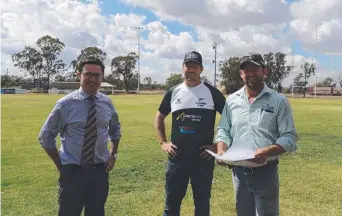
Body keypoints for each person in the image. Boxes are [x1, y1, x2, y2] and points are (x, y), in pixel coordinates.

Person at [214, 52, 298, 216]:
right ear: (241, 74)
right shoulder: (232, 101)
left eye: (255, 69)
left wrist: (266, 151)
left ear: (264, 71)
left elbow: (289, 137)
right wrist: (221, 151)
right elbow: (224, 130)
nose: (250, 73)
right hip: (238, 173)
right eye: (246, 70)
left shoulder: (278, 101)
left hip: (266, 172)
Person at [38, 58, 121, 216]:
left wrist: (113, 154)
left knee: (96, 212)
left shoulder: (107, 103)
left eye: (97, 75)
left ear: (102, 77)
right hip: (72, 171)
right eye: (88, 74)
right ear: (79, 75)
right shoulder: (65, 104)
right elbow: (45, 136)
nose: (93, 79)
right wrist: (60, 165)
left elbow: (115, 129)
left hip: (99, 171)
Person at [155, 51, 226, 216]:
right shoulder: (174, 91)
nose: (191, 70)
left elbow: (231, 121)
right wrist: (163, 142)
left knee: (202, 206)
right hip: (177, 159)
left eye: (195, 66)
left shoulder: (212, 93)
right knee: (171, 205)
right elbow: (159, 118)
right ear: (183, 68)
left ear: (201, 69)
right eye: (188, 66)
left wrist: (218, 146)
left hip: (203, 160)